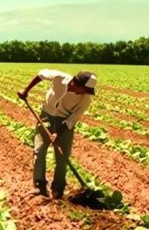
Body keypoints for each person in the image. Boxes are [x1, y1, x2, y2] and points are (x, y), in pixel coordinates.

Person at [17, 70, 97, 198]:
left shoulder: (85, 99)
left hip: (64, 124)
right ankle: (39, 186)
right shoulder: (59, 78)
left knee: (62, 157)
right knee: (39, 150)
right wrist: (26, 91)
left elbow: (71, 120)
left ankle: (58, 190)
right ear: (76, 83)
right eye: (84, 89)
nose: (84, 93)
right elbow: (41, 74)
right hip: (46, 116)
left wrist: (57, 133)